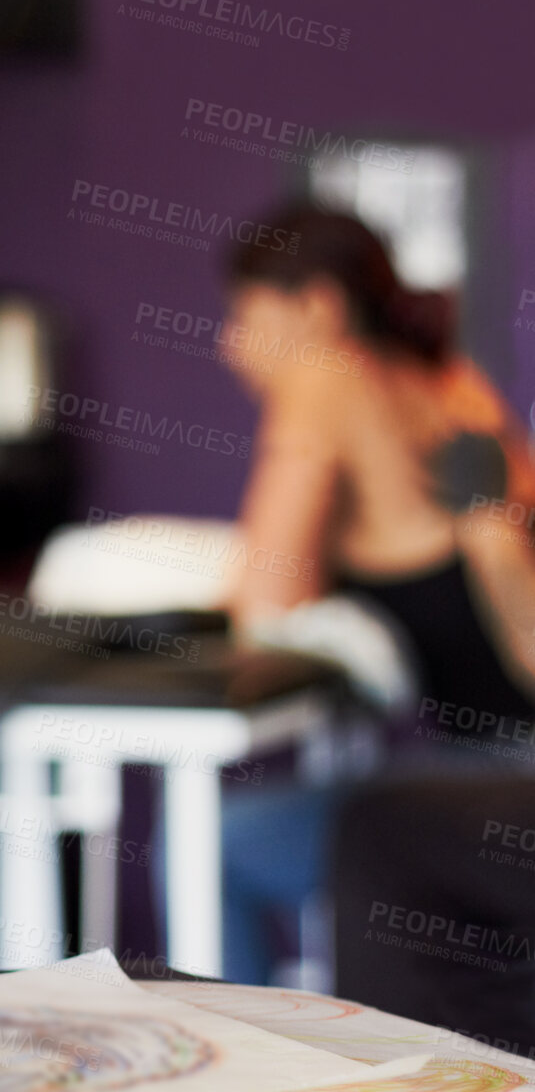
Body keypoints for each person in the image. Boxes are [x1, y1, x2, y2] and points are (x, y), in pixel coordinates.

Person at [212, 202, 535, 1034]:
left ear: (316, 308)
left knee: (224, 843)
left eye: (246, 315)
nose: (228, 343)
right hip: (495, 771)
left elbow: (264, 602)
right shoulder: (451, 382)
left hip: (498, 777)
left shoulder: (327, 374)